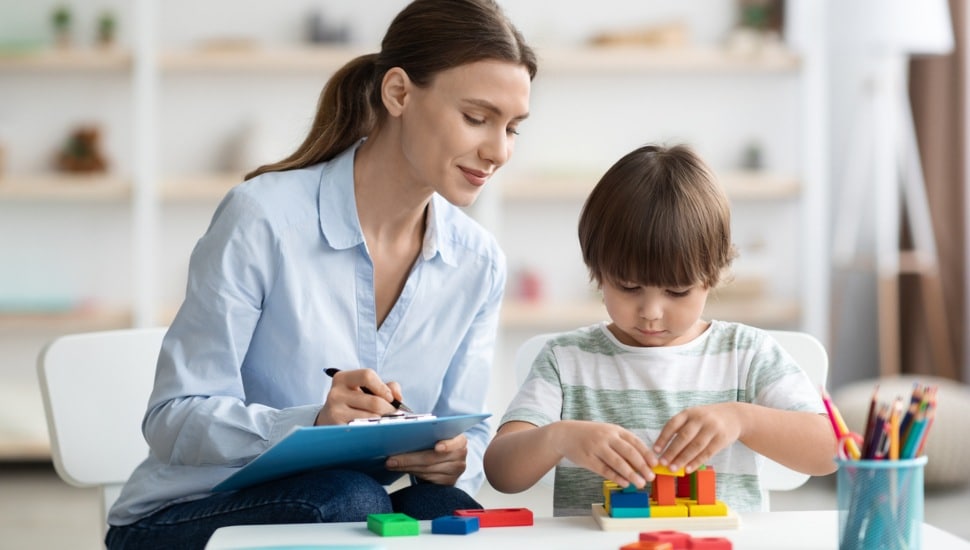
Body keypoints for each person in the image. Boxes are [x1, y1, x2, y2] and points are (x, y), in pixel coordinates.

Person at [105, 1, 536, 547]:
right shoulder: (263, 218)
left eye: (513, 127)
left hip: (340, 506)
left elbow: (467, 431)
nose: (498, 151)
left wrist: (456, 459)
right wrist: (310, 423)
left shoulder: (477, 261)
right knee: (350, 501)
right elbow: (172, 418)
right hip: (183, 517)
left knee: (444, 506)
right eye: (477, 118)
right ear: (399, 93)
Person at [483, 144, 837, 516]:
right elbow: (501, 473)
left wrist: (742, 419)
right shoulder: (566, 360)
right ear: (598, 271)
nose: (651, 312)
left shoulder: (746, 354)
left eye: (677, 291)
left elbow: (831, 451)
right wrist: (558, 438)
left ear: (712, 276)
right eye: (628, 287)